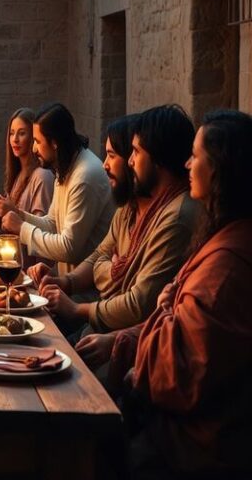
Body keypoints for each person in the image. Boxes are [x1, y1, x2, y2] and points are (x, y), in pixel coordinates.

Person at [112, 110, 252, 479]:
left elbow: (181, 374)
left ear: (220, 168)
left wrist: (162, 309)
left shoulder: (227, 265)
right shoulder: (223, 235)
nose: (188, 163)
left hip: (193, 447)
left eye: (196, 155)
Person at [42, 109, 199, 350]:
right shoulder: (130, 208)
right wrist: (67, 281)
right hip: (103, 328)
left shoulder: (176, 217)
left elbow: (138, 303)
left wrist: (78, 309)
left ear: (157, 158)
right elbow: (99, 257)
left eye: (134, 153)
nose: (130, 161)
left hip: (123, 344)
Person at [0, 102, 114, 276]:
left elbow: (68, 248)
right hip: (68, 286)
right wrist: (20, 215)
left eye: (37, 141)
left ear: (54, 143)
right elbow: (53, 224)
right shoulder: (65, 166)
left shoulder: (84, 176)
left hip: (86, 293)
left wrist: (21, 228)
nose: (34, 149)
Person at [0, 107, 54, 267]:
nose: (15, 139)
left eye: (22, 133)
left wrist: (10, 211)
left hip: (30, 270)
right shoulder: (17, 175)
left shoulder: (42, 176)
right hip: (11, 262)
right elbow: (10, 230)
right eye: (12, 133)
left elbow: (43, 233)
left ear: (33, 138)